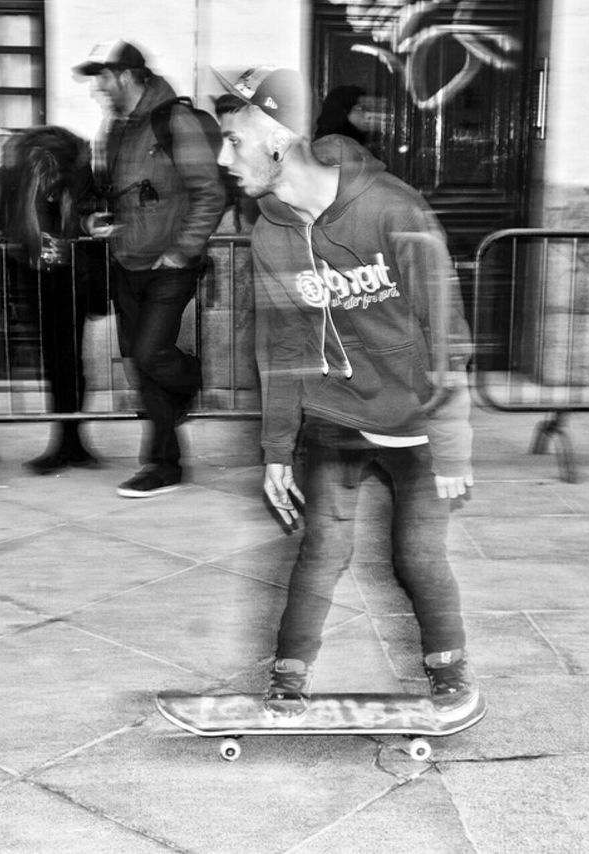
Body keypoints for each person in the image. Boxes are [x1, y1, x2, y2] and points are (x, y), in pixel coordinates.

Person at [214, 66, 482, 724]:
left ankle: (449, 672)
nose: (223, 158)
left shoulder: (394, 208)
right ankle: (288, 677)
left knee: (416, 555)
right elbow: (279, 344)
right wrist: (276, 447)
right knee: (321, 547)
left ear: (275, 141)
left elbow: (447, 332)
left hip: (414, 416)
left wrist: (451, 445)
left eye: (232, 141)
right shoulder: (269, 232)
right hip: (331, 414)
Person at [74, 40, 225, 498]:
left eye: (103, 76)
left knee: (150, 354)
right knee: (141, 366)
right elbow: (107, 193)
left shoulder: (173, 121)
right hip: (127, 259)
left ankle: (193, 378)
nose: (98, 86)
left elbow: (209, 192)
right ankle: (162, 465)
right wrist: (94, 219)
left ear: (126, 75)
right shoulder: (115, 128)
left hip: (170, 264)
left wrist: (183, 249)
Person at [0, 125, 104, 474]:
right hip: (72, 272)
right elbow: (90, 214)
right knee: (70, 359)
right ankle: (72, 441)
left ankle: (65, 442)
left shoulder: (19, 165)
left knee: (56, 361)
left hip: (36, 272)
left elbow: (1, 221)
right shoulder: (78, 163)